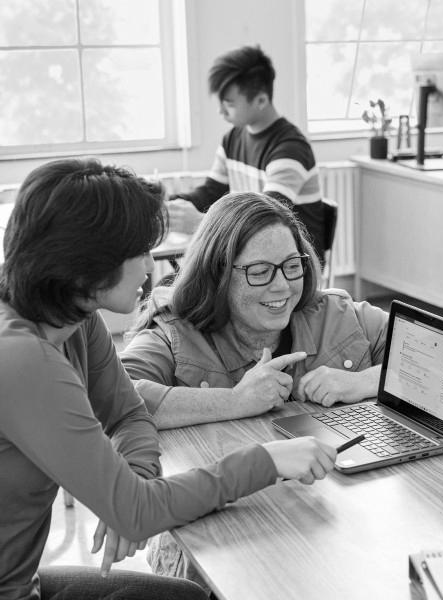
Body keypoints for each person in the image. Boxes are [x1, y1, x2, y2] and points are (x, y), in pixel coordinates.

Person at [0, 159, 339, 600]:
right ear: (85, 264)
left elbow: (129, 413)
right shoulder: (23, 358)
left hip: (19, 583)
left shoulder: (73, 321)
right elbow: (140, 511)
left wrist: (128, 494)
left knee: (186, 595)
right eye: (139, 251)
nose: (150, 264)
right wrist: (268, 461)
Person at [121, 191, 388, 429]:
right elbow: (109, 397)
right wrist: (235, 401)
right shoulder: (172, 334)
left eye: (293, 266)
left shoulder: (338, 314)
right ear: (217, 274)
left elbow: (428, 356)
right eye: (260, 272)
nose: (282, 286)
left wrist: (363, 382)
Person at [167, 45, 328, 259]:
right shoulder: (232, 139)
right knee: (174, 287)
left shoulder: (290, 149)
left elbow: (264, 221)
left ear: (261, 100)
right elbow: (211, 192)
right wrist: (169, 205)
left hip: (291, 265)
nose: (221, 111)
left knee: (182, 288)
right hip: (253, 257)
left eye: (230, 104)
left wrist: (198, 222)